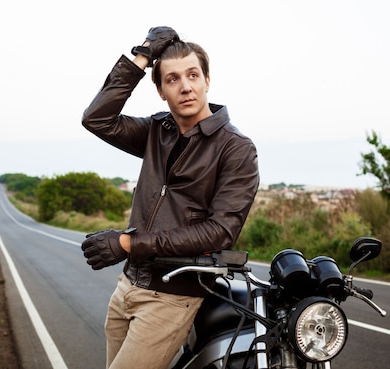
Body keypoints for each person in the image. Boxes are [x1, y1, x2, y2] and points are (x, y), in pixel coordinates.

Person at [80, 26, 260, 369]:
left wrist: (128, 244)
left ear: (207, 80)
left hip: (173, 297)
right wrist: (143, 55)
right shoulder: (155, 131)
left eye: (193, 75)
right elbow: (97, 119)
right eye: (173, 79)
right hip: (127, 288)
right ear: (161, 90)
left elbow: (219, 232)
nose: (186, 86)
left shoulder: (235, 148)